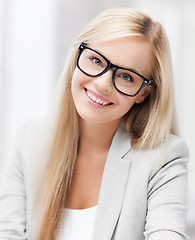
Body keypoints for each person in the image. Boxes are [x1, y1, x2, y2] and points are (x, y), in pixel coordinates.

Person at [0, 7, 189, 240]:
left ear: (144, 93)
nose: (103, 84)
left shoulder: (163, 158)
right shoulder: (29, 142)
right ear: (77, 56)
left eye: (126, 76)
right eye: (96, 60)